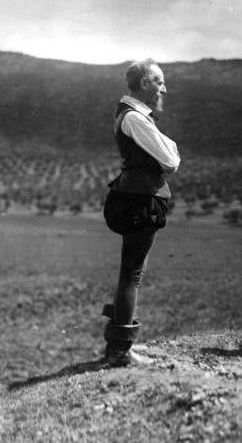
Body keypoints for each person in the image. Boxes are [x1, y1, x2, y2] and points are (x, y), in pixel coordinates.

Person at [101, 58, 180, 366]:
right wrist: (170, 150)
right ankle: (120, 350)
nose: (164, 87)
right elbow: (171, 160)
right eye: (159, 81)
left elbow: (167, 153)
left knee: (132, 273)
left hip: (136, 195)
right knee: (132, 274)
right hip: (141, 199)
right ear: (145, 83)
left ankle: (121, 343)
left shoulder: (135, 116)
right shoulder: (135, 118)